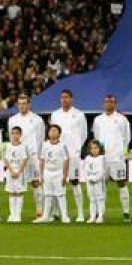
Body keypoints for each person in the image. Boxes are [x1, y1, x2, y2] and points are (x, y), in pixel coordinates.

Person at [91, 94, 132, 222]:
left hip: (117, 157)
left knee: (122, 183)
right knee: (101, 185)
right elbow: (96, 138)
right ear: (104, 103)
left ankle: (126, 212)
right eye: (107, 102)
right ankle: (100, 213)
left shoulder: (122, 119)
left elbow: (127, 137)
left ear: (115, 104)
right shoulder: (98, 119)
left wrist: (123, 154)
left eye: (112, 102)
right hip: (102, 158)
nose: (109, 104)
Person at [49, 89, 88, 222]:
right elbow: (53, 132)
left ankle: (80, 213)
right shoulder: (55, 115)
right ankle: (56, 212)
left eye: (66, 97)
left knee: (75, 182)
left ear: (71, 99)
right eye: (62, 97)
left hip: (73, 153)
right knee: (56, 182)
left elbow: (84, 134)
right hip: (58, 154)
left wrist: (77, 147)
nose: (64, 99)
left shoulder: (79, 115)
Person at [7, 95, 45, 219]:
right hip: (17, 158)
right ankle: (15, 214)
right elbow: (11, 137)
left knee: (35, 182)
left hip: (32, 155)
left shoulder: (37, 119)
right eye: (20, 104)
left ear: (29, 104)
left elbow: (41, 138)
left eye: (24, 103)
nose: (22, 106)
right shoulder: (12, 119)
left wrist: (38, 154)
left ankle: (39, 211)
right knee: (16, 185)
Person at [36, 125, 71, 224]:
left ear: (59, 134)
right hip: (47, 172)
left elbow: (66, 160)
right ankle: (45, 216)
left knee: (61, 194)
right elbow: (42, 160)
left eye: (55, 130)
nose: (52, 132)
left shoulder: (62, 145)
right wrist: (41, 175)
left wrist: (65, 175)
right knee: (47, 194)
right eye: (51, 130)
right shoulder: (44, 145)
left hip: (58, 172)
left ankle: (64, 216)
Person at [3, 126, 32, 223]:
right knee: (11, 193)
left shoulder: (23, 146)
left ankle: (18, 215)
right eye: (13, 133)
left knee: (19, 193)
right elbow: (6, 159)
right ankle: (12, 214)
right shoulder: (8, 146)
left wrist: (19, 171)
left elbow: (25, 159)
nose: (15, 135)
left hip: (20, 172)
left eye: (17, 133)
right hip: (10, 172)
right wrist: (11, 171)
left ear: (20, 135)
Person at [83, 140, 107, 224]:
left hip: (99, 182)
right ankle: (92, 216)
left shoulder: (102, 158)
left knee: (100, 199)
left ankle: (100, 216)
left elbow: (102, 171)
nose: (94, 150)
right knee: (92, 199)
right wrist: (89, 178)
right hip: (90, 182)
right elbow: (85, 170)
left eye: (96, 148)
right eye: (92, 148)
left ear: (100, 149)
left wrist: (96, 179)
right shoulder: (87, 158)